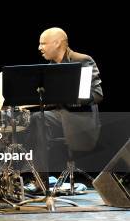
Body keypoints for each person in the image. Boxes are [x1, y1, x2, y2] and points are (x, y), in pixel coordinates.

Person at [28, 27, 103, 181]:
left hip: (80, 119)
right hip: (59, 116)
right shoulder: (49, 68)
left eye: (43, 43)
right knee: (30, 119)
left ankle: (41, 180)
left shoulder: (81, 61)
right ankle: (39, 178)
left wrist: (65, 95)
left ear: (57, 43)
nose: (39, 48)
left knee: (38, 119)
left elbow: (96, 94)